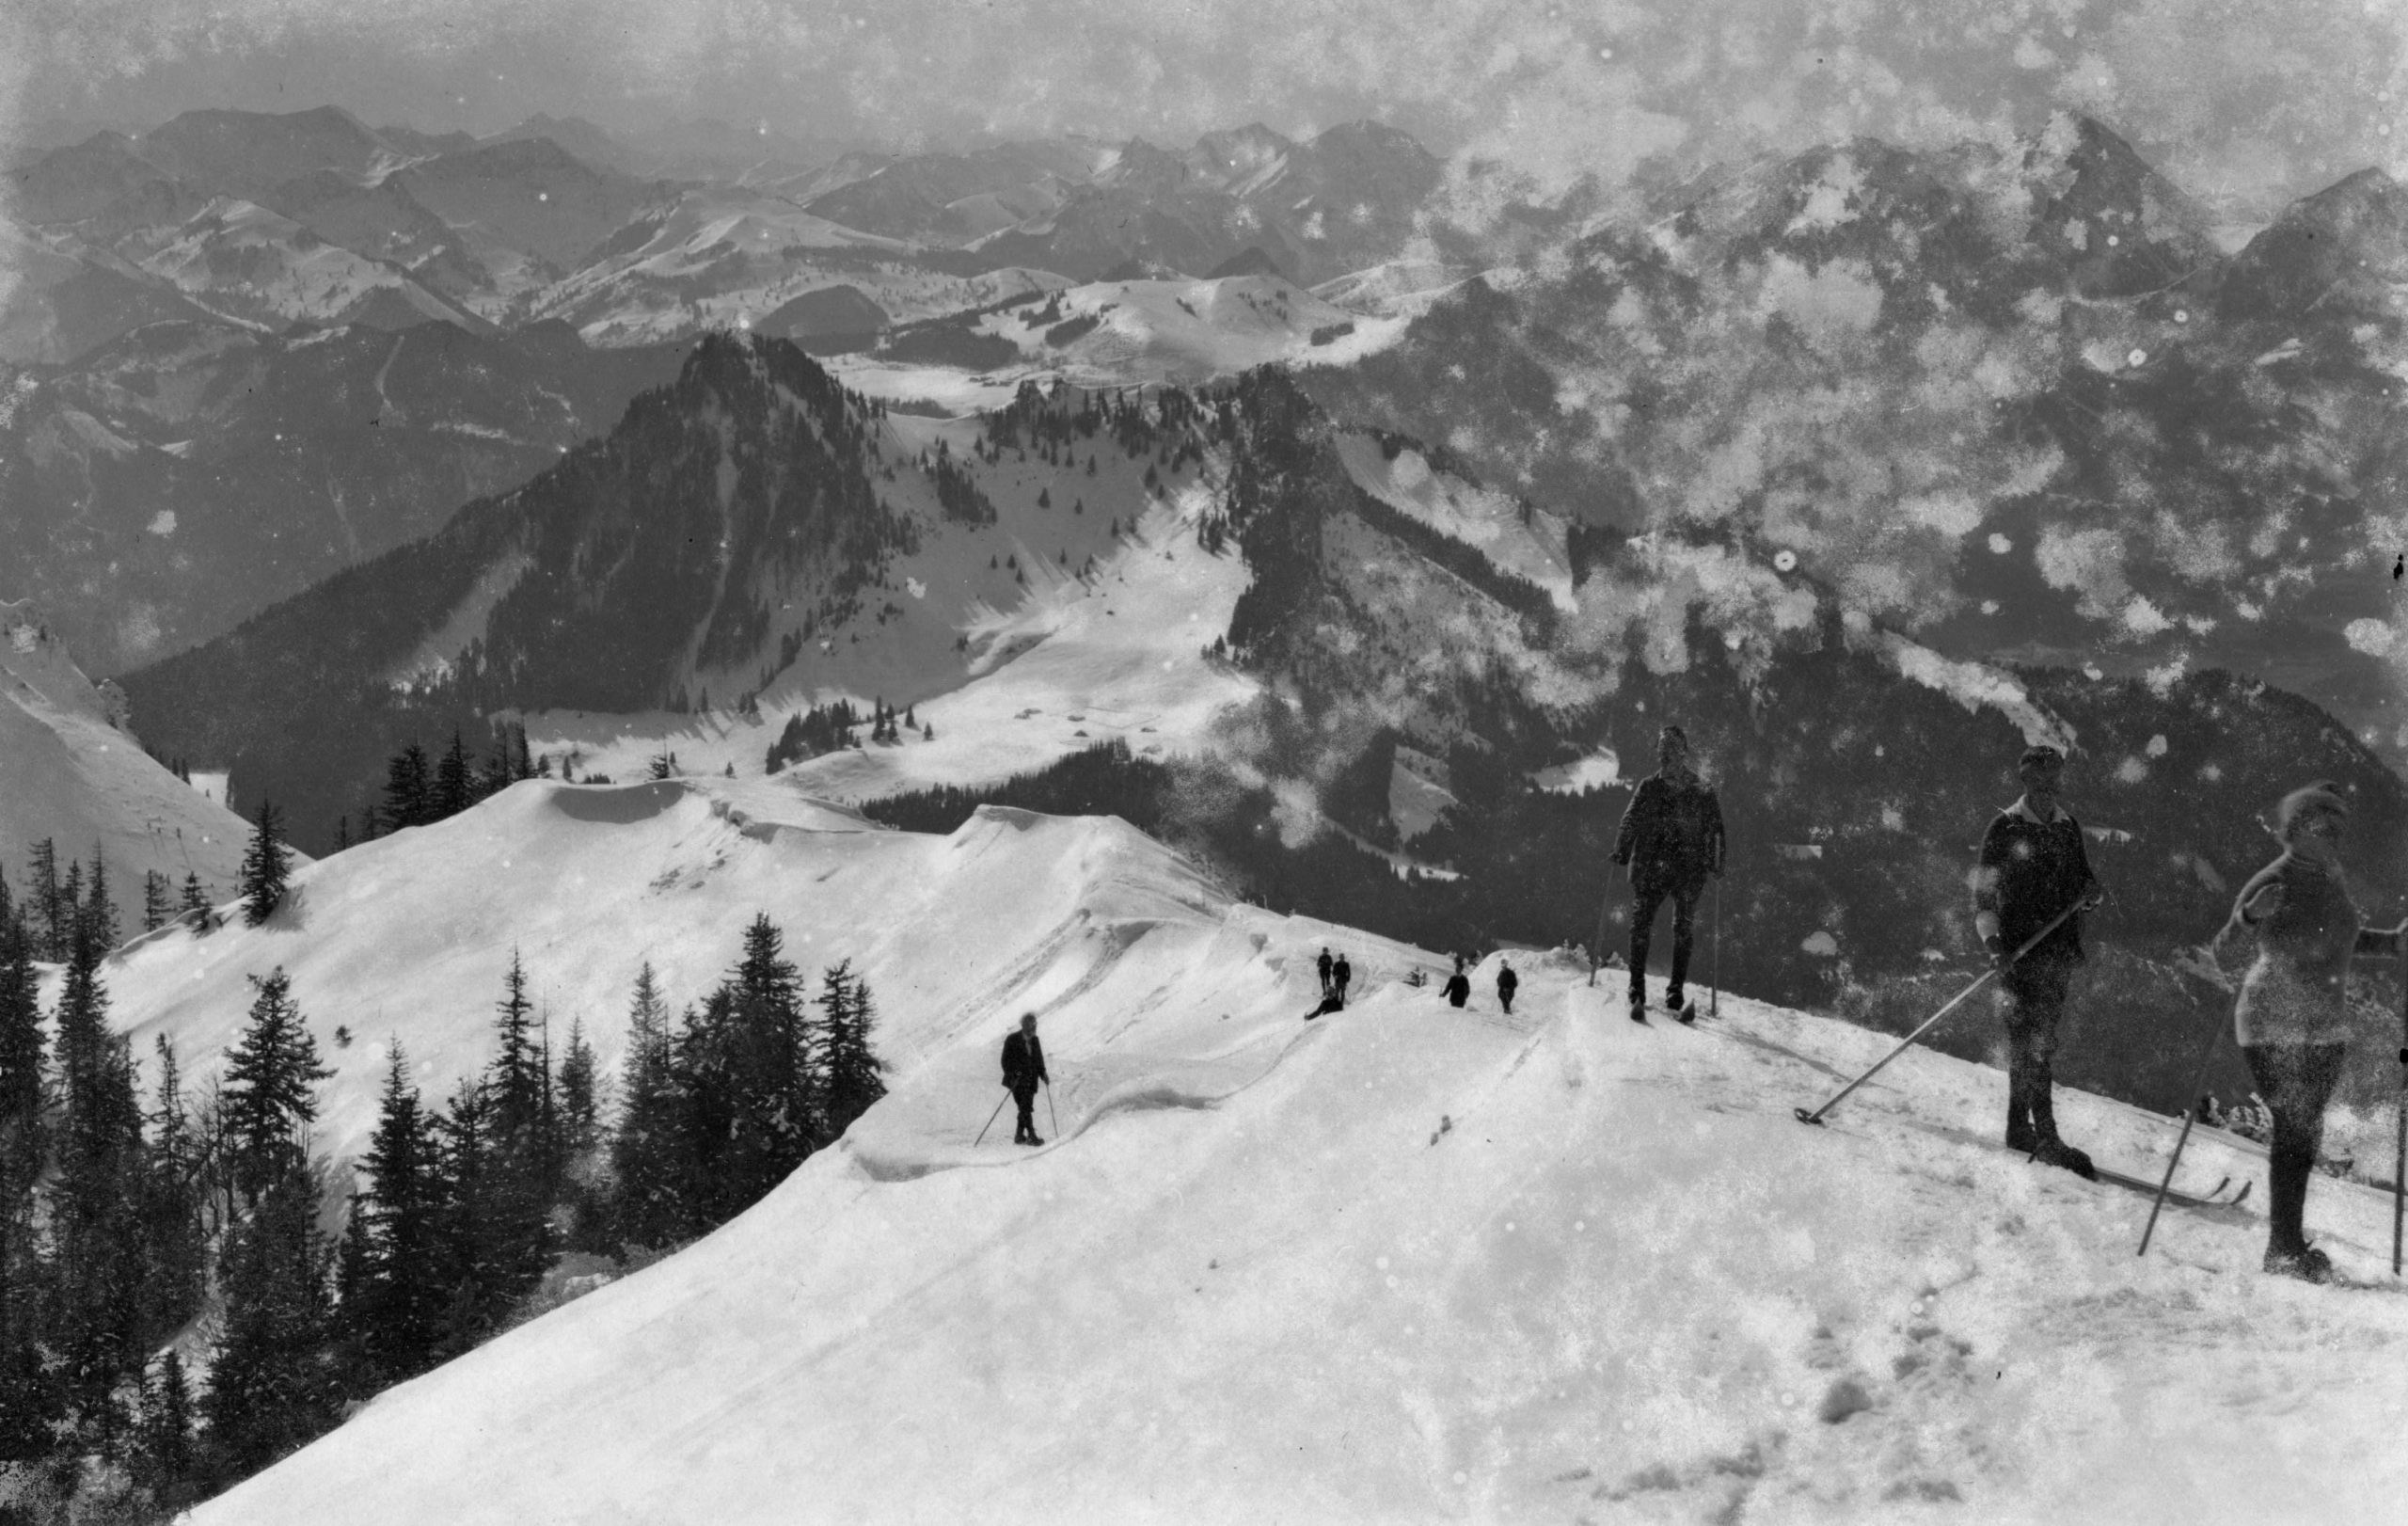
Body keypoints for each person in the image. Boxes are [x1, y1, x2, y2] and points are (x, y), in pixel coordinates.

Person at [2205, 782, 2407, 1282]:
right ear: (2296, 829)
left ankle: (2288, 1245)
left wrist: (2393, 944)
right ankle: (2284, 1249)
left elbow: (2339, 941)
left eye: (2339, 828)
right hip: (2272, 1022)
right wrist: (2249, 916)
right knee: (2296, 1126)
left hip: (2323, 1028)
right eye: (2324, 826)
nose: (2335, 836)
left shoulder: (2328, 880)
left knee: (2304, 1130)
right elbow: (2225, 950)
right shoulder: (2274, 879)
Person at [1972, 744, 2105, 1178]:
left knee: (2030, 1044)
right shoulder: (2005, 828)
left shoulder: (2068, 828)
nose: (2048, 787)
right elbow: (1984, 898)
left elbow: (2084, 884)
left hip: (2058, 954)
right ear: (2025, 781)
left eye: (2054, 779)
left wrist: (2091, 896)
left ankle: (2018, 1129)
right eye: (2040, 780)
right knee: (2034, 1043)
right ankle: (2046, 1138)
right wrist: (1994, 946)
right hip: (2018, 955)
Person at [1612, 725, 1725, 1022]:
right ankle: (1639, 989)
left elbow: (1715, 829)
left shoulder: (1693, 789)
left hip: (1680, 869)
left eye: (1670, 751)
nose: (1664, 757)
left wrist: (1717, 860)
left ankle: (1672, 992)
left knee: (1671, 928)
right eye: (1662, 751)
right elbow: (1630, 820)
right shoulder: (1662, 787)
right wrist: (1621, 850)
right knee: (1648, 925)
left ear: (1682, 753)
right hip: (1663, 867)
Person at [1000, 1011, 1049, 1147]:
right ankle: (1031, 1135)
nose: (1034, 1027)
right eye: (1031, 1024)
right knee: (1025, 1107)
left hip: (1031, 1080)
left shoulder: (1035, 1040)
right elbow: (1005, 1061)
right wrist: (1016, 1073)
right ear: (1023, 1025)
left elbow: (1039, 1059)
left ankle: (1019, 1135)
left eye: (1035, 1024)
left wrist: (1043, 1074)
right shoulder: (1012, 1039)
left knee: (1024, 1107)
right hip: (1016, 1081)